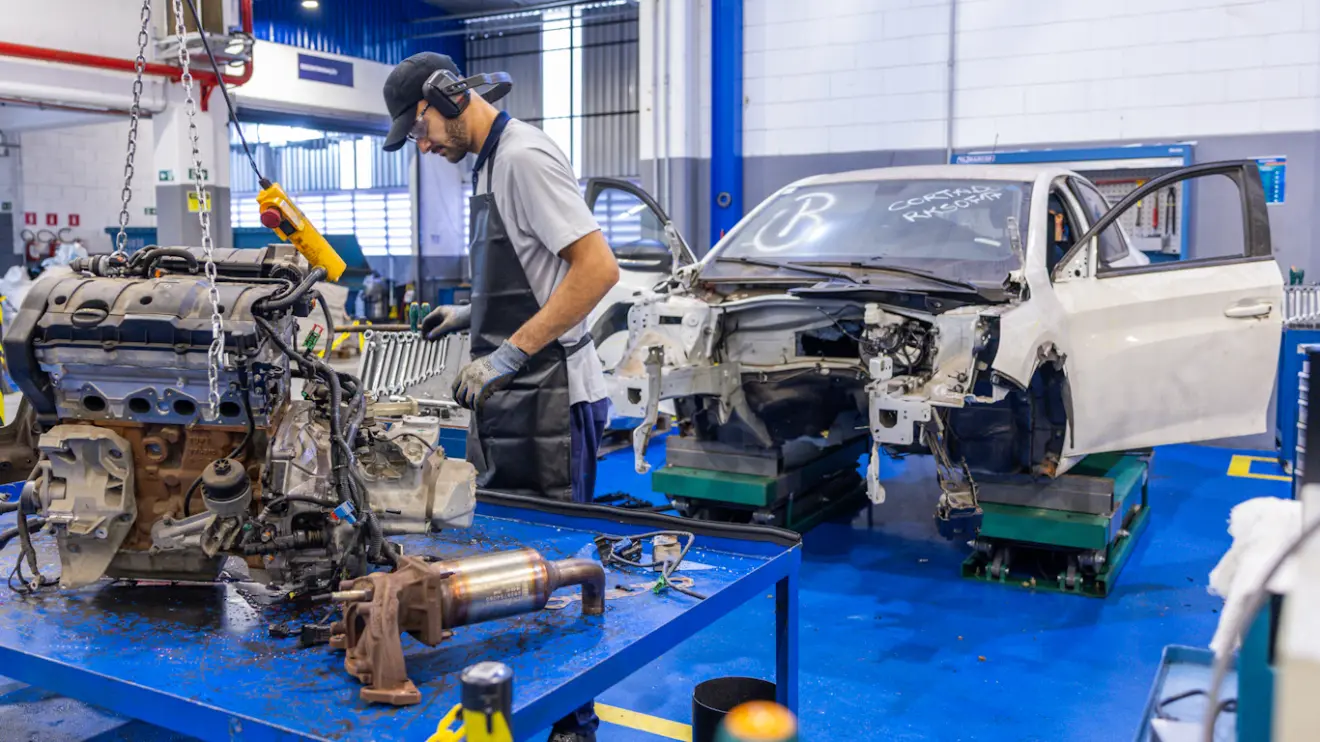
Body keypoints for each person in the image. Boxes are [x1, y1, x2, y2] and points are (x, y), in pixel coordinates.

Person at [382, 52, 618, 742]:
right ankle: (528, 705)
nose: (422, 145)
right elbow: (537, 271)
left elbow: (596, 270)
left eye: (420, 129)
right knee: (515, 564)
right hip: (519, 396)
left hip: (554, 398)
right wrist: (471, 315)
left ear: (449, 98)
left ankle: (573, 726)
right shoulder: (486, 163)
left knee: (554, 569)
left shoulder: (522, 158)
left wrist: (510, 352)